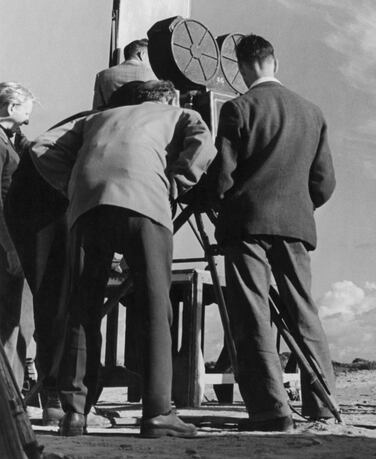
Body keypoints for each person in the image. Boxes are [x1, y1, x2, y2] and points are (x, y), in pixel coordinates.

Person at [34, 80, 216, 437]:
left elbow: (41, 146)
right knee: (154, 306)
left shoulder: (95, 118)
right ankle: (157, 413)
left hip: (88, 205)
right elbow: (202, 144)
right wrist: (178, 181)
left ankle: (74, 413)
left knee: (82, 308)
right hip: (145, 200)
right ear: (166, 98)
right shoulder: (178, 112)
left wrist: (71, 185)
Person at [206, 34, 336, 432]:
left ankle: (270, 410)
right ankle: (323, 402)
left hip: (247, 225)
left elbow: (222, 177)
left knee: (252, 313)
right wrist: (298, 206)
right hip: (295, 225)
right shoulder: (312, 112)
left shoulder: (237, 108)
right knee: (303, 310)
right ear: (274, 62)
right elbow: (325, 183)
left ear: (242, 68)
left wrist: (209, 199)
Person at [5, 82, 144, 426]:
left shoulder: (103, 122)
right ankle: (64, 399)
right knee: (63, 301)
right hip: (44, 209)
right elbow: (41, 149)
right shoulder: (104, 122)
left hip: (44, 206)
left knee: (63, 301)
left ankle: (65, 398)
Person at [0, 82, 34, 388]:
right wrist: (10, 248)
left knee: (13, 324)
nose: (28, 119)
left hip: (9, 241)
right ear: (11, 108)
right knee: (8, 324)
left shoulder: (10, 140)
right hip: (4, 243)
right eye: (26, 113)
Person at [92, 39, 156, 109]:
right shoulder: (155, 75)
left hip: (114, 118)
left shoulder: (103, 75)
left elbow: (96, 109)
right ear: (142, 55)